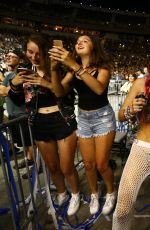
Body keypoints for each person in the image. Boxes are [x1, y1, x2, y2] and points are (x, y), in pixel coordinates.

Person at [8, 33, 80, 216]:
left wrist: (44, 81)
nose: (34, 57)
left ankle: (76, 195)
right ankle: (62, 194)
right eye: (30, 52)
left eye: (38, 53)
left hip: (62, 120)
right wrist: (14, 85)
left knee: (67, 167)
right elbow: (17, 100)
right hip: (39, 123)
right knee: (52, 166)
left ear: (45, 52)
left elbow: (62, 93)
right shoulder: (23, 71)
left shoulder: (60, 68)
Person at [49, 34, 117, 215]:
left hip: (103, 118)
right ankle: (95, 193)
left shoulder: (103, 68)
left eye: (85, 41)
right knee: (88, 164)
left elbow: (98, 88)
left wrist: (73, 65)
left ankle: (111, 192)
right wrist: (54, 69)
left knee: (102, 164)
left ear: (93, 47)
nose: (80, 42)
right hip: (84, 120)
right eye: (78, 41)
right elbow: (59, 91)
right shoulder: (73, 71)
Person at [112, 69, 150, 229]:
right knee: (122, 210)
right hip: (143, 148)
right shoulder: (141, 83)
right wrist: (132, 110)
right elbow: (120, 115)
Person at [0, 48, 34, 171]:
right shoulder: (9, 75)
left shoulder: (22, 73)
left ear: (19, 60)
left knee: (29, 142)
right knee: (22, 142)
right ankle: (28, 160)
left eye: (12, 56)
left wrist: (7, 89)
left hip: (22, 113)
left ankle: (35, 166)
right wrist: (11, 87)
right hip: (13, 114)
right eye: (7, 56)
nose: (8, 57)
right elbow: (1, 91)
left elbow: (3, 91)